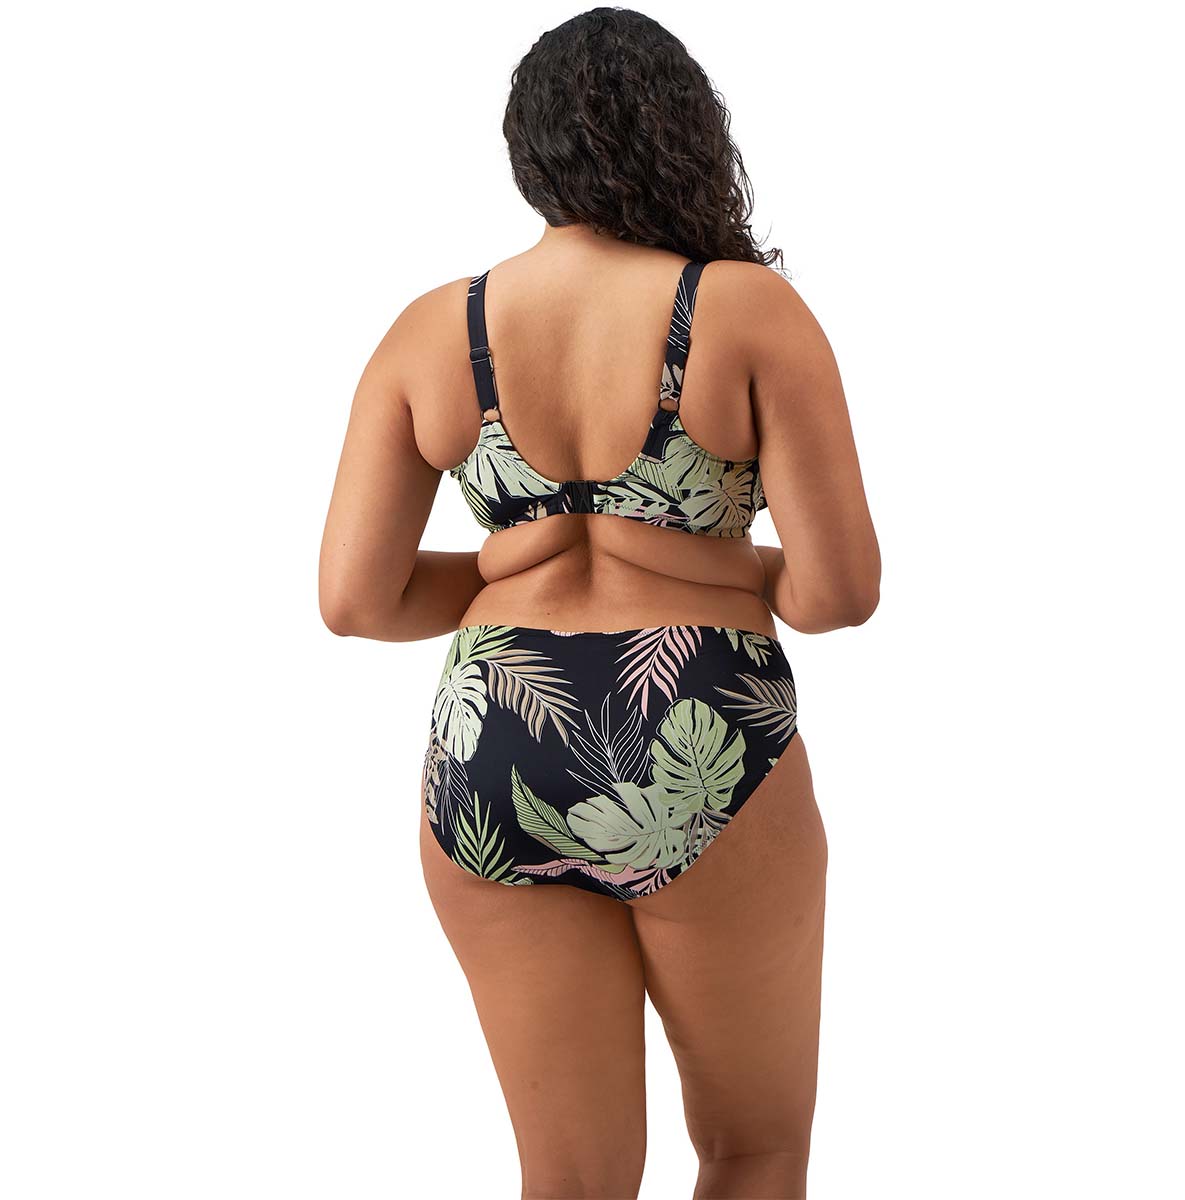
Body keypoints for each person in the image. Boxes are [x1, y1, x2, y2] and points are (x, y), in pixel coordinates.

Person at [319, 8, 880, 1197]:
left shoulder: (433, 330)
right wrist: (717, 572)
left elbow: (355, 598)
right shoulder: (743, 309)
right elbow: (839, 591)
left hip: (494, 736)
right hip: (698, 722)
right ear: (690, 135)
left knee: (571, 1183)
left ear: (528, 151)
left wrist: (514, 572)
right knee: (752, 1150)